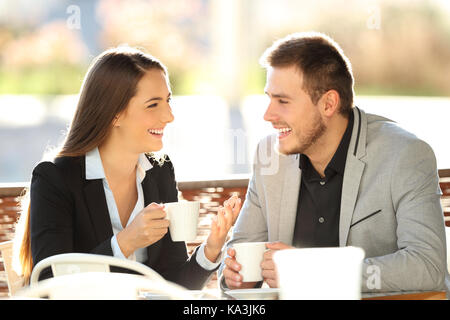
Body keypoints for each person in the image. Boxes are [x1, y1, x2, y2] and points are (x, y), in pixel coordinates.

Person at [219, 32, 447, 294]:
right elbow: (238, 256)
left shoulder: (405, 155)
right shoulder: (269, 155)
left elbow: (427, 267)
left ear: (328, 103)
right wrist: (237, 276)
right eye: (268, 98)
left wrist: (313, 271)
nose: (268, 115)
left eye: (282, 101)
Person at [14, 46, 241, 290]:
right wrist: (124, 243)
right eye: (153, 105)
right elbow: (49, 282)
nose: (169, 116)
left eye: (168, 101)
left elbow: (172, 285)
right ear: (115, 114)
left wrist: (210, 250)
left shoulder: (159, 171)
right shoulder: (55, 178)